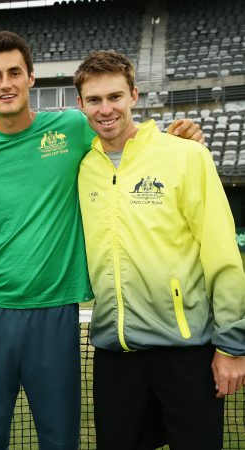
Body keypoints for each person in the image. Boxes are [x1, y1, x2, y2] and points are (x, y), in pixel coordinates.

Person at [0, 31, 204, 450]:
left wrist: (178, 141)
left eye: (15, 72)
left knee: (60, 437)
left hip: (55, 312)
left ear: (32, 78)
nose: (6, 83)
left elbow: (126, 138)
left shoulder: (71, 126)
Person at [74, 50, 245, 450]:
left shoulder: (186, 155)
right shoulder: (83, 167)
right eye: (94, 100)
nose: (105, 109)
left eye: (115, 97)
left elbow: (222, 256)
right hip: (115, 355)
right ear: (80, 104)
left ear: (134, 94)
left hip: (186, 354)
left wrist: (233, 346)